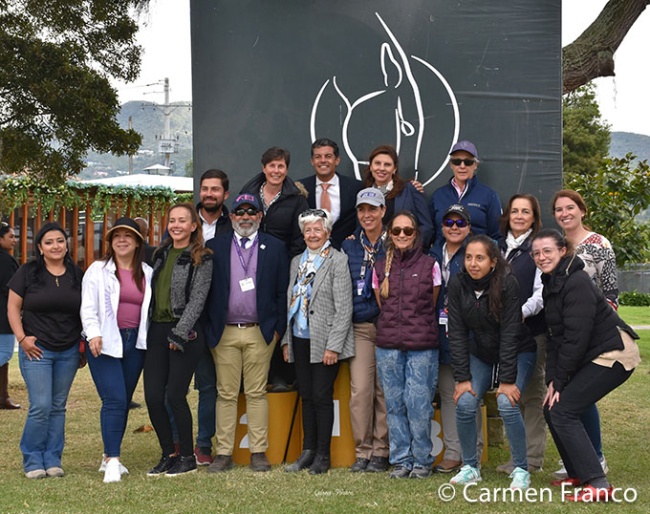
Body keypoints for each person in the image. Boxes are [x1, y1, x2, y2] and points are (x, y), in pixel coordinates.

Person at [531, 228, 639, 502]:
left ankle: (598, 483)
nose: (541, 257)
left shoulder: (576, 281)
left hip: (614, 353)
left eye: (547, 251)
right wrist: (552, 381)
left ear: (562, 251)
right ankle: (578, 473)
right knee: (552, 406)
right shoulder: (552, 283)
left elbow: (576, 337)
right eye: (536, 253)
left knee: (564, 411)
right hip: (592, 352)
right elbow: (556, 337)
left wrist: (562, 379)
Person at [204, 193, 289, 473]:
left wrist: (276, 331)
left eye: (251, 212)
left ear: (259, 216)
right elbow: (206, 292)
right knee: (225, 394)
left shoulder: (275, 247)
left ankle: (258, 452)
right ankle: (224, 453)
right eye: (240, 212)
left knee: (256, 394)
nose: (245, 217)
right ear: (231, 217)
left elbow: (281, 292)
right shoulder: (214, 246)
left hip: (259, 333)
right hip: (225, 333)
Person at [447, 234, 535, 489]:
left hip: (518, 350)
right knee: (464, 402)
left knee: (507, 403)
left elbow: (510, 333)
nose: (473, 264)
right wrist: (462, 378)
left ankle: (521, 468)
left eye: (480, 258)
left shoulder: (508, 283)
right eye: (469, 258)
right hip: (482, 352)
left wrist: (506, 381)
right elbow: (458, 332)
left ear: (493, 262)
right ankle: (470, 467)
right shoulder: (457, 283)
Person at [7, 222, 84, 479]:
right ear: (39, 248)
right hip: (36, 350)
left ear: (67, 244)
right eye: (49, 242)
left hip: (68, 349)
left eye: (60, 241)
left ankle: (52, 458)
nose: (55, 246)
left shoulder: (76, 273)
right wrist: (22, 338)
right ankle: (32, 459)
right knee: (41, 405)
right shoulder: (28, 272)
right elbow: (12, 308)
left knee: (58, 406)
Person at [81, 217, 153, 483]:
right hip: (105, 341)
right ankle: (113, 460)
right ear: (110, 242)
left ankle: (106, 457)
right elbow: (87, 306)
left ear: (137, 242)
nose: (122, 240)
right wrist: (94, 334)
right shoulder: (97, 270)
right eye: (117, 236)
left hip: (135, 343)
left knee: (122, 402)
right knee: (114, 400)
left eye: (128, 235)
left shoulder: (147, 272)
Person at [282, 209, 354, 475]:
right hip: (300, 338)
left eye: (317, 229)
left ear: (328, 232)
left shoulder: (337, 260)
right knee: (306, 395)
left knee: (322, 396)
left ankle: (323, 455)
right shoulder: (296, 262)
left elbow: (344, 307)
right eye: (308, 230)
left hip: (325, 341)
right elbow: (291, 303)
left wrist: (333, 346)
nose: (312, 234)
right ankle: (307, 450)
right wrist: (286, 341)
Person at [144, 203, 213, 477]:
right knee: (152, 396)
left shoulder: (202, 257)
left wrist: (180, 333)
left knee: (175, 395)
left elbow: (198, 299)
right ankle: (168, 454)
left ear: (193, 226)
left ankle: (187, 456)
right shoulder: (159, 254)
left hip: (185, 332)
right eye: (172, 220)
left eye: (182, 221)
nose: (176, 225)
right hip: (156, 332)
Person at [372, 211, 441, 479]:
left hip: (422, 345)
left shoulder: (429, 265)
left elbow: (432, 303)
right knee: (394, 404)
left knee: (419, 403)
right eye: (397, 230)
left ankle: (422, 460)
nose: (402, 235)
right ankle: (401, 460)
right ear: (390, 234)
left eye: (407, 231)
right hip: (388, 345)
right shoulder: (380, 266)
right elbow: (382, 304)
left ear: (416, 234)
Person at [551, 189, 614, 479]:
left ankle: (595, 457)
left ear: (582, 210)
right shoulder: (558, 245)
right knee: (573, 395)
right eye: (559, 210)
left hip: (594, 333)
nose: (564, 213)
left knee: (582, 396)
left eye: (570, 208)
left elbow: (611, 293)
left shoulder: (598, 244)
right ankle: (579, 459)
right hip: (567, 333)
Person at [429, 204, 483, 474]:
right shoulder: (430, 253)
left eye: (460, 223)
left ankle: (473, 454)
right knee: (449, 396)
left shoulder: (476, 254)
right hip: (439, 333)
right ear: (441, 227)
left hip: (471, 333)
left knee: (470, 395)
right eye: (448, 221)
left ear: (469, 228)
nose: (453, 227)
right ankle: (452, 452)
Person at [496, 194, 547, 474]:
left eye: (524, 212)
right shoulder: (497, 246)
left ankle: (532, 459)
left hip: (531, 332)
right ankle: (518, 457)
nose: (518, 216)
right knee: (511, 393)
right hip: (504, 336)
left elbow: (541, 294)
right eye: (514, 210)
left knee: (531, 397)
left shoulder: (537, 248)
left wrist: (520, 313)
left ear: (533, 217)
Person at [341, 188, 390, 473]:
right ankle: (363, 451)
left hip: (386, 327)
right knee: (360, 391)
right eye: (362, 210)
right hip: (359, 328)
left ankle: (382, 451)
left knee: (385, 392)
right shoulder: (349, 245)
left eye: (373, 209)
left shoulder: (394, 242)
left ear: (383, 211)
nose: (367, 215)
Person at [192, 169, 233, 465]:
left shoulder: (235, 225)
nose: (209, 194)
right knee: (174, 387)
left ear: (224, 195)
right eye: (205, 188)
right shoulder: (184, 223)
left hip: (219, 316)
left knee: (210, 385)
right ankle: (177, 443)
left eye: (215, 189)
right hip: (185, 318)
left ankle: (204, 443)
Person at [240, 147, 309, 257]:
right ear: (264, 168)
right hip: (249, 260)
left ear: (286, 170)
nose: (276, 171)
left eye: (281, 166)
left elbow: (299, 239)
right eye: (272, 165)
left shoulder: (297, 200)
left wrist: (288, 264)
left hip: (282, 262)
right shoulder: (247, 195)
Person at [429, 140, 502, 245]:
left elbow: (497, 237)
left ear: (475, 165)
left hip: (474, 258)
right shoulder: (438, 196)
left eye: (468, 162)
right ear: (451, 165)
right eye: (457, 162)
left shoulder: (489, 196)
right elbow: (431, 234)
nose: (462, 166)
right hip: (443, 258)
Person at [361, 145, 433, 248]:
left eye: (387, 165)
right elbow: (360, 226)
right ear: (371, 166)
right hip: (372, 254)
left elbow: (427, 227)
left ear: (394, 169)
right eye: (377, 163)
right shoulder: (363, 193)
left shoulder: (410, 190)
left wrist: (411, 248)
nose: (381, 168)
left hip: (404, 256)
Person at [297, 138, 363, 249]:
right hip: (310, 252)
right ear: (312, 161)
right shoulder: (300, 188)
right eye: (318, 157)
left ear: (337, 160)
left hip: (345, 252)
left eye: (328, 156)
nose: (323, 160)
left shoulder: (355, 187)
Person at [0, 222, 20, 410]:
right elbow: (11, 290)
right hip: (3, 317)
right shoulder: (5, 260)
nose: (14, 240)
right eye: (11, 236)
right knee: (4, 353)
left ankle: (2, 397)